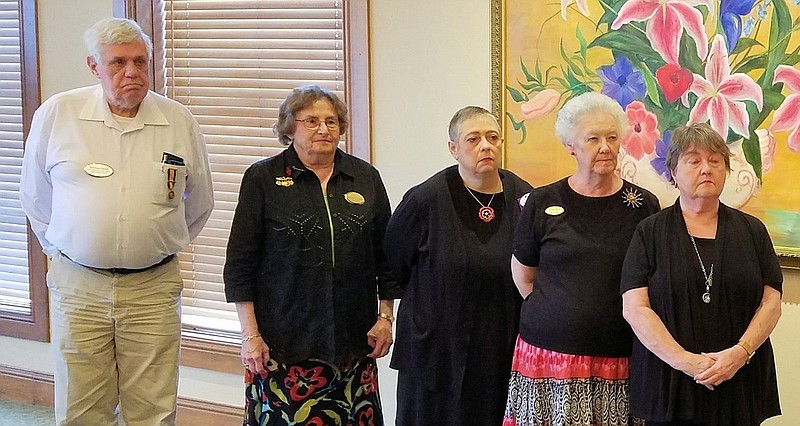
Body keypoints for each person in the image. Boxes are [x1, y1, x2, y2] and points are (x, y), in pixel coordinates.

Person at [19, 18, 214, 425]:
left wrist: (156, 243)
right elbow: (36, 199)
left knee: (154, 408)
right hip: (79, 286)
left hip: (153, 288)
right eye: (118, 63)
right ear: (93, 66)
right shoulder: (59, 114)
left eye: (140, 62)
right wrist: (67, 250)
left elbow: (200, 203)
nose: (132, 73)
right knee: (81, 406)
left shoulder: (178, 121)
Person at [223, 84, 400, 426]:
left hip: (353, 344)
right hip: (282, 346)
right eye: (311, 121)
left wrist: (385, 318)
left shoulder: (364, 177)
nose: (324, 129)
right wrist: (250, 336)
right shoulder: (262, 178)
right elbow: (240, 265)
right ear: (289, 127)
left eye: (332, 121)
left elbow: (385, 256)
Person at [504, 92, 660, 425]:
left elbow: (650, 282)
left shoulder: (643, 206)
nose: (605, 146)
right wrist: (558, 311)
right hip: (548, 357)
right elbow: (523, 274)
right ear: (570, 146)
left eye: (612, 137)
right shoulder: (542, 202)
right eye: (593, 138)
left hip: (618, 357)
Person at [620, 123, 782, 425]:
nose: (706, 168)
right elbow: (635, 307)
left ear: (726, 169)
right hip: (669, 380)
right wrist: (687, 362)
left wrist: (740, 353)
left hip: (739, 376)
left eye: (715, 160)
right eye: (694, 160)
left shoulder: (752, 231)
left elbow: (771, 301)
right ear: (673, 172)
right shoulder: (650, 232)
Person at [384, 106, 533, 425]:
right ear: (453, 148)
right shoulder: (426, 199)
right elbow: (393, 262)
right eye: (473, 139)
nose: (485, 146)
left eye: (493, 138)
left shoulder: (524, 197)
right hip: (436, 347)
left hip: (499, 345)